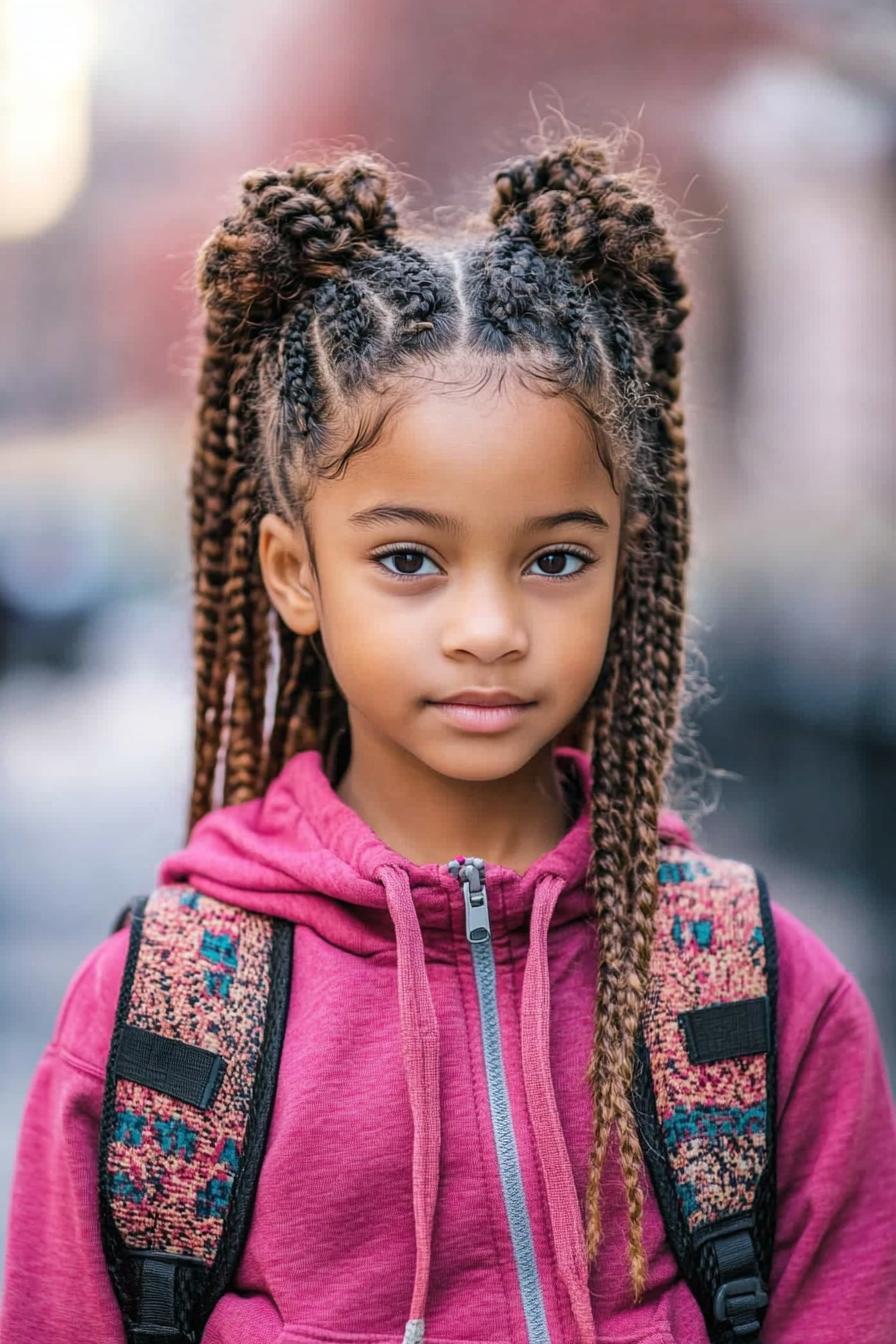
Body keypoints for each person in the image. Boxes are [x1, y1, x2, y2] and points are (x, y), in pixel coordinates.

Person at [1, 130, 894, 1344]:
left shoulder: (753, 1000)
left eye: (555, 559)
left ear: (626, 563)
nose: (489, 629)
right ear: (292, 571)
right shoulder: (163, 1028)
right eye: (409, 559)